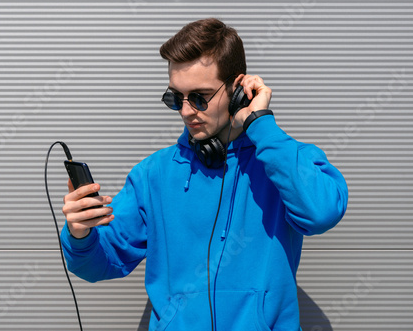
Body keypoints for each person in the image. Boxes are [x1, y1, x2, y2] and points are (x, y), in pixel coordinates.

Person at [61, 18, 348, 331]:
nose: (186, 111)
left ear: (238, 90)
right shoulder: (153, 175)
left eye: (200, 97)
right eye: (175, 98)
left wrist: (261, 124)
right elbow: (100, 263)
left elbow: (321, 213)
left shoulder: (285, 161)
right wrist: (80, 232)